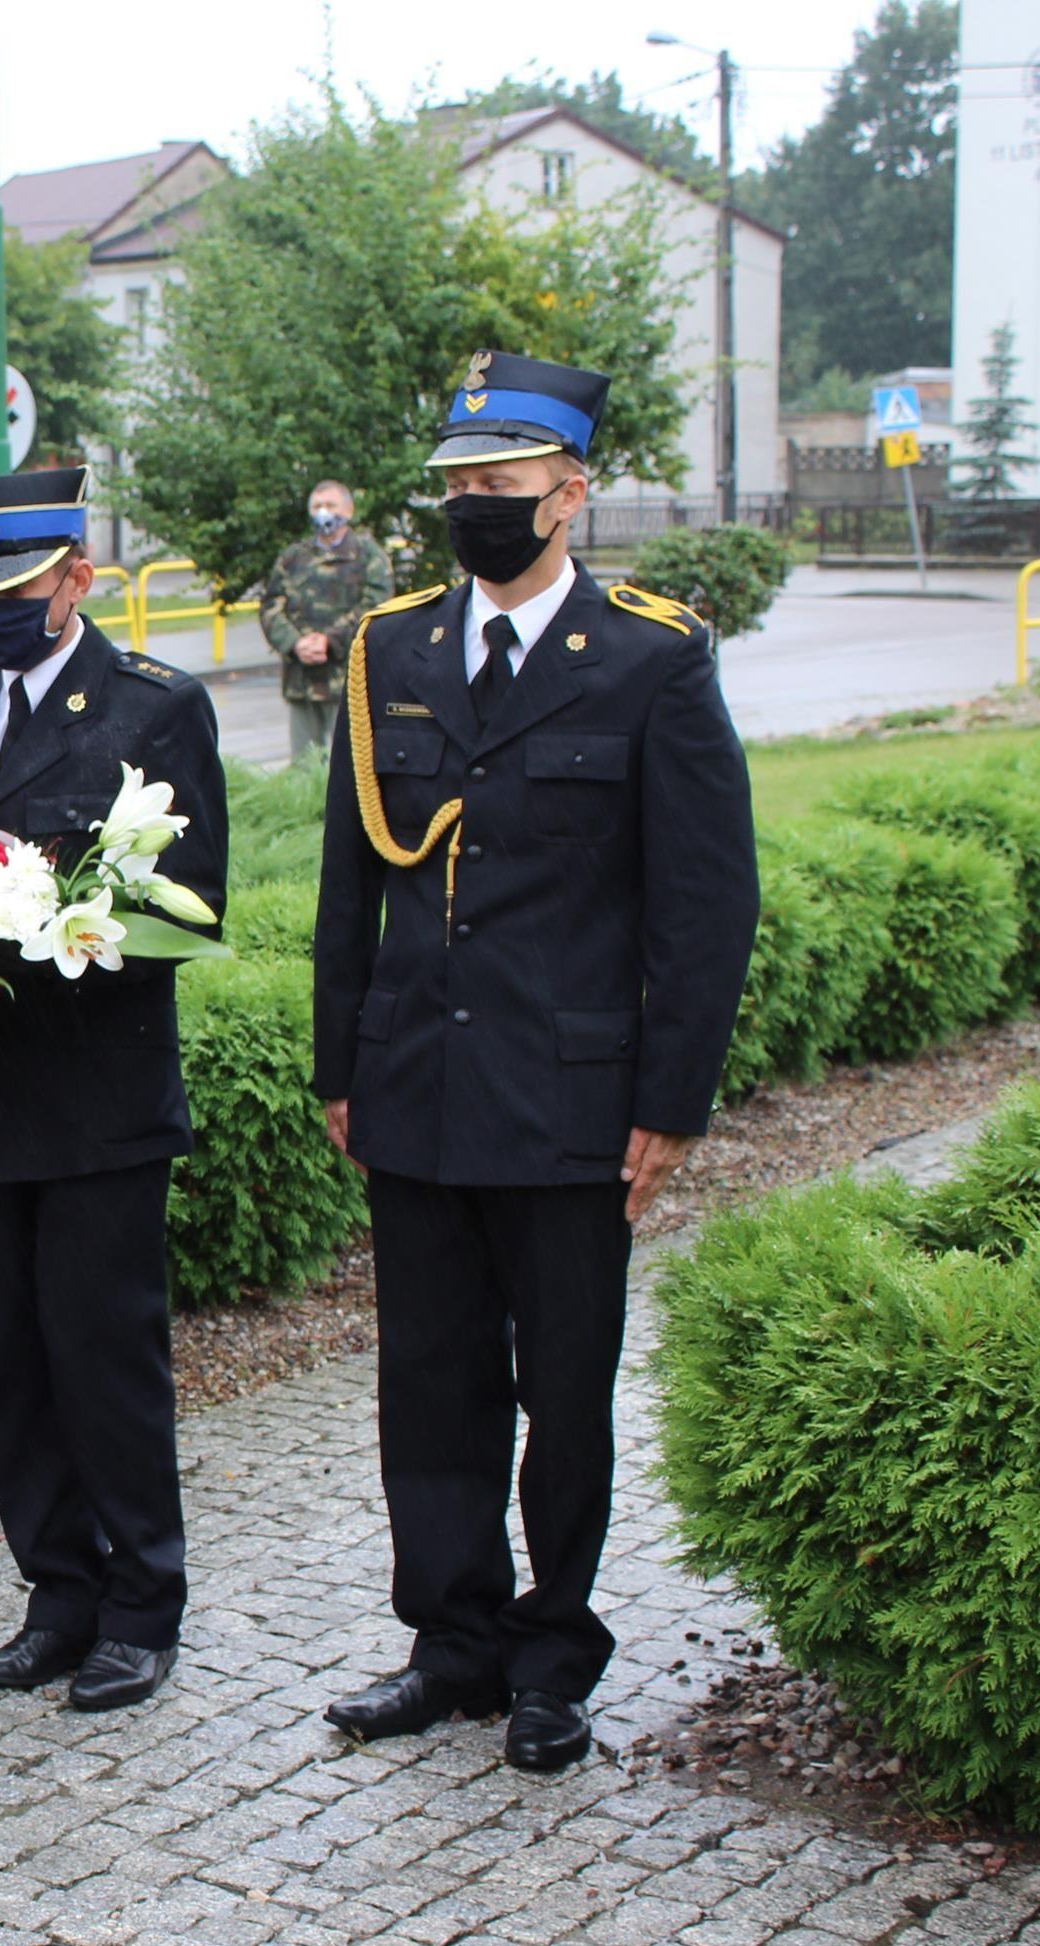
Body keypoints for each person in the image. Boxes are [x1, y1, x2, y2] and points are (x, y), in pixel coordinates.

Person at [310, 350, 757, 1772]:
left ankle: (553, 1650)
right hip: (417, 1090)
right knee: (429, 1387)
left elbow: (701, 903)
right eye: (454, 487)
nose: (471, 509)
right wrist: (340, 1061)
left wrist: (668, 1102)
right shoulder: (393, 650)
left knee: (561, 1391)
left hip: (569, 1103)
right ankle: (451, 1642)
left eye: (497, 485)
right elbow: (344, 884)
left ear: (569, 493)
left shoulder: (648, 655)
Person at [0, 466, 228, 1713]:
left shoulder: (151, 706)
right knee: (16, 1363)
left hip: (99, 1092)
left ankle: (142, 1604)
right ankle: (56, 1591)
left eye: (15, 586)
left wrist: (53, 925)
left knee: (105, 1359)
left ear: (75, 580)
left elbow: (192, 906)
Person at [257, 479, 394, 768]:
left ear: (349, 509)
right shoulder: (293, 557)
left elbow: (377, 608)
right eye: (317, 506)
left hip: (349, 680)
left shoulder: (369, 556)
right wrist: (296, 643)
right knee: (304, 769)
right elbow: (271, 605)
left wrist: (329, 641)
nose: (323, 512)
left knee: (352, 768)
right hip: (301, 679)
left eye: (330, 505)